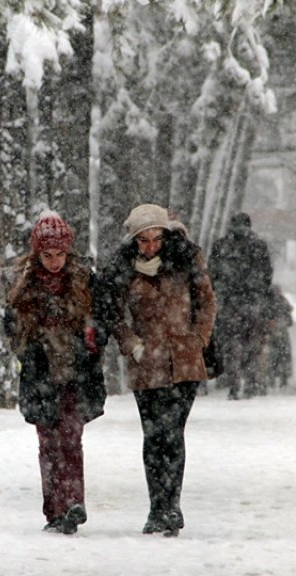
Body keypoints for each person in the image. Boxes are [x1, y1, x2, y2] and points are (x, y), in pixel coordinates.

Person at [96, 203, 216, 537]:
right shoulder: (123, 269)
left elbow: (206, 301)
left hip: (184, 360)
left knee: (173, 432)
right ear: (133, 240)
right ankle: (156, 508)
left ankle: (171, 505)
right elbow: (112, 312)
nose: (150, 247)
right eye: (143, 240)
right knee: (153, 436)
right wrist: (131, 343)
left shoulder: (186, 260)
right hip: (146, 362)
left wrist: (199, 338)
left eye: (156, 239)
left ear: (166, 235)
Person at [4, 211, 106, 535]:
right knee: (48, 442)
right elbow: (12, 327)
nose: (54, 261)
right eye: (47, 255)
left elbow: (102, 319)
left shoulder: (84, 280)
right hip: (41, 374)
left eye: (60, 254)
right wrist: (29, 349)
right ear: (37, 254)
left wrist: (92, 338)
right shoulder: (24, 285)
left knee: (71, 438)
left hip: (76, 372)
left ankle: (73, 502)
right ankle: (54, 508)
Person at [209, 212, 274, 399]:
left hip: (229, 302)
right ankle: (250, 382)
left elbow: (212, 274)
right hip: (251, 301)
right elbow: (267, 275)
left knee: (231, 344)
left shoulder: (221, 246)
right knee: (253, 343)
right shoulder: (258, 246)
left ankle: (234, 383)